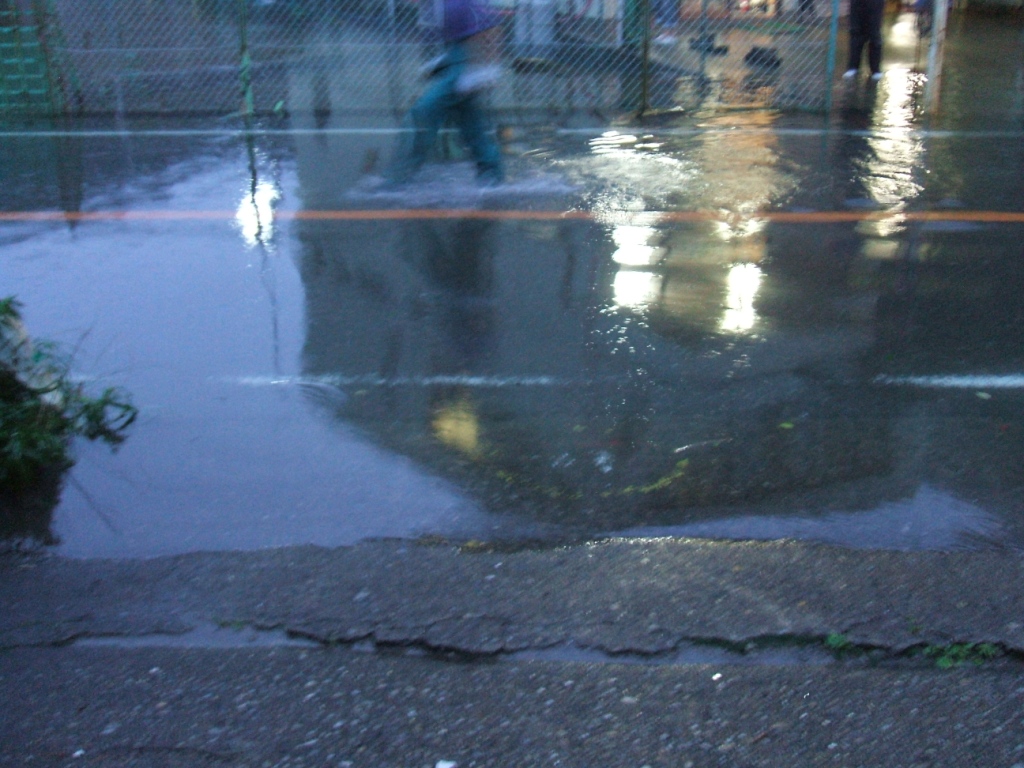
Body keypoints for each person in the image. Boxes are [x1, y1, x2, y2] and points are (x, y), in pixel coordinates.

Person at [389, 0, 505, 185]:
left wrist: (486, 68)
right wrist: (442, 61)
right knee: (470, 123)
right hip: (458, 58)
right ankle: (491, 176)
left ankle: (399, 178)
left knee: (423, 113)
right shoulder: (431, 7)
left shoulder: (452, 4)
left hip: (466, 60)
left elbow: (489, 28)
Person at [843, 0, 885, 80]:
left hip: (875, 4)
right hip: (857, 3)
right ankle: (853, 67)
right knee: (856, 32)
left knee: (874, 34)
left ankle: (875, 70)